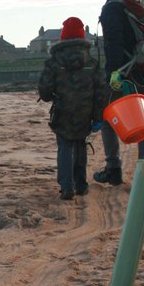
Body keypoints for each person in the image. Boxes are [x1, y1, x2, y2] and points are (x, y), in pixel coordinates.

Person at [96, 0, 144, 185]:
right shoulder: (137, 8)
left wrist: (113, 73)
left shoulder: (111, 9)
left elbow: (114, 44)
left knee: (108, 118)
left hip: (124, 73)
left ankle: (113, 169)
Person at [38, 17, 109, 200]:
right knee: (80, 145)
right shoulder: (91, 63)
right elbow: (101, 91)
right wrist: (98, 116)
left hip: (63, 110)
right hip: (85, 111)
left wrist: (52, 95)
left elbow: (44, 91)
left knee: (64, 146)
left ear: (62, 38)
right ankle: (81, 184)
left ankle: (66, 185)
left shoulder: (54, 62)